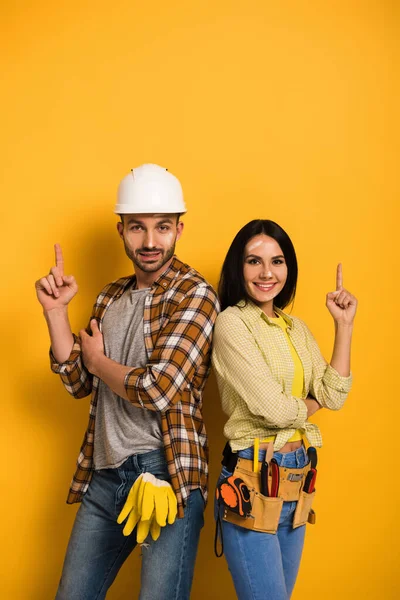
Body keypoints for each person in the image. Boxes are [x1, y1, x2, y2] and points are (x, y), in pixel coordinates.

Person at [35, 164, 219, 600]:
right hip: (105, 474)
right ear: (121, 230)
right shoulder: (109, 297)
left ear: (179, 229)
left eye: (162, 228)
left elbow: (158, 389)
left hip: (165, 472)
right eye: (138, 228)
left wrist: (99, 362)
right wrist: (56, 314)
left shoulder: (195, 294)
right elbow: (80, 380)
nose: (150, 241)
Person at [212, 219, 357, 600]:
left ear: (287, 268)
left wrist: (344, 325)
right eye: (253, 261)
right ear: (238, 267)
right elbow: (273, 409)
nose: (266, 273)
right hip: (252, 474)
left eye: (276, 261)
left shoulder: (296, 329)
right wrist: (313, 403)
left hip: (297, 478)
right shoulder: (232, 324)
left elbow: (335, 393)